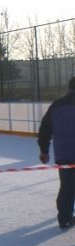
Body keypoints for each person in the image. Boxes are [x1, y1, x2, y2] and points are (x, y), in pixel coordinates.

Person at [37, 76, 75, 230]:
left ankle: (64, 218)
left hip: (64, 154)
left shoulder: (56, 105)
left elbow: (44, 129)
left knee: (66, 186)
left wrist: (44, 150)